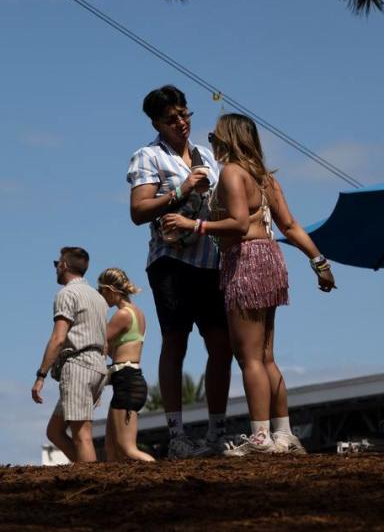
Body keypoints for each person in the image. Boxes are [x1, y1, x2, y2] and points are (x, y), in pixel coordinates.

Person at [163, 113, 336, 456]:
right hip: (271, 259)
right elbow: (289, 225)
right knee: (267, 357)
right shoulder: (265, 178)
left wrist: (192, 224)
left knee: (249, 358)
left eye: (213, 137)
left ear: (227, 139)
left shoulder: (231, 172)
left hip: (245, 261)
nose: (210, 142)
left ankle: (260, 437)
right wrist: (319, 261)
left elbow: (240, 224)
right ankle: (283, 433)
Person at [127, 85, 232, 458]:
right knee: (176, 341)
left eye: (185, 114)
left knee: (222, 344)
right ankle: (177, 437)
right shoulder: (148, 156)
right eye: (172, 119)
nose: (182, 123)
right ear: (157, 123)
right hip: (171, 262)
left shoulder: (207, 155)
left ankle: (216, 433)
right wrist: (180, 191)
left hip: (211, 260)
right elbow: (138, 212)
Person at [32, 247, 109, 463]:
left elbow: (58, 338)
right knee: (55, 431)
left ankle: (92, 485)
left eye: (57, 263)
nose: (56, 267)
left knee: (82, 436)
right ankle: (85, 473)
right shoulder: (98, 297)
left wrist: (41, 375)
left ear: (64, 265)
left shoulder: (67, 294)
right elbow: (105, 341)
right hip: (97, 366)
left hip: (79, 365)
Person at [97, 268, 155, 462]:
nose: (101, 297)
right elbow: (115, 349)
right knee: (111, 447)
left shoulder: (122, 315)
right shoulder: (137, 313)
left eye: (102, 292)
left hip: (127, 381)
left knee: (127, 448)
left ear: (110, 290)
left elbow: (97, 340)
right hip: (127, 379)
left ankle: (163, 478)